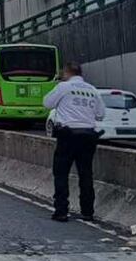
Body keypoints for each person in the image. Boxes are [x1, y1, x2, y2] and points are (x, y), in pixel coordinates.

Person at [42, 62, 105, 223]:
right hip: (88, 136)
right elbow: (100, 114)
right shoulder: (92, 90)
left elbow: (47, 103)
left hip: (68, 135)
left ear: (67, 72)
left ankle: (61, 211)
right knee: (86, 173)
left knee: (61, 173)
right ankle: (88, 211)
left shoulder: (64, 87)